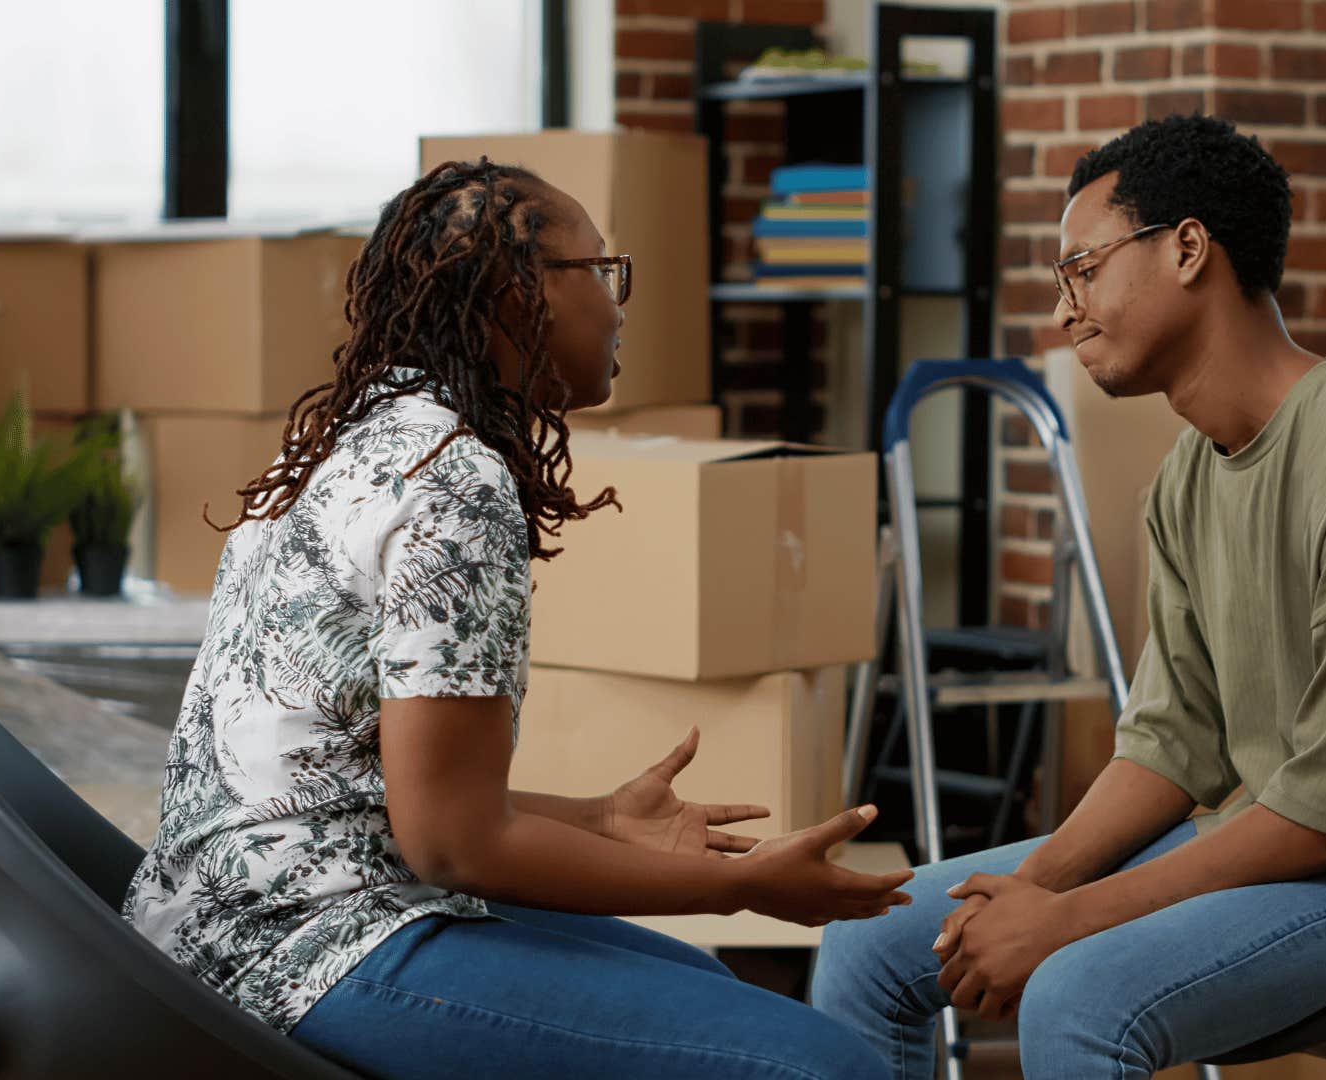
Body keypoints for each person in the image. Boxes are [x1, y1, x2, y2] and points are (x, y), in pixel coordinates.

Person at [122, 159, 911, 1080]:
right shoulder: (453, 479)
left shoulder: (357, 437)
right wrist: (736, 885)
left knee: (700, 980)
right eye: (599, 272)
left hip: (225, 918)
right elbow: (454, 842)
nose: (619, 306)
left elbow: (372, 788)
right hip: (300, 948)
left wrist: (600, 821)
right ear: (514, 293)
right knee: (821, 1066)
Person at [811, 114, 1326, 1080]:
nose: (1065, 310)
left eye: (1083, 268)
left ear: (1188, 248)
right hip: (1270, 832)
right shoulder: (1187, 479)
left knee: (1079, 996)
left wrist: (1069, 920)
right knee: (868, 942)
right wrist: (1028, 887)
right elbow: (1172, 742)